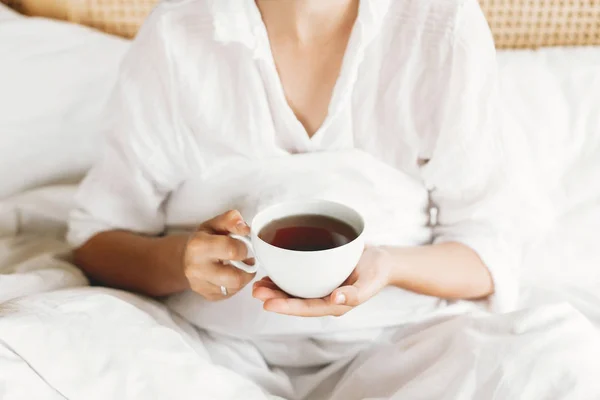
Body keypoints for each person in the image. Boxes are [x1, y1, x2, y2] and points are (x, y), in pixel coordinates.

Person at [67, 0, 530, 398]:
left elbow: (491, 251)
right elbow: (96, 240)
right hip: (202, 351)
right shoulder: (180, 31)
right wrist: (182, 262)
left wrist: (389, 265)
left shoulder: (441, 27)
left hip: (408, 347)